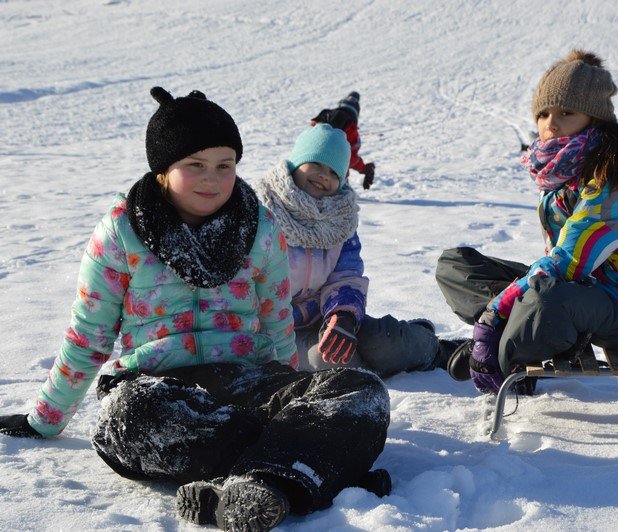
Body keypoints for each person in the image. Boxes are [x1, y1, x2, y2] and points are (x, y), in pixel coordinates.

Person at [0, 87, 391, 532]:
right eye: (196, 165)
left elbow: (277, 322)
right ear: (163, 170)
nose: (213, 179)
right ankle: (307, 466)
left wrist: (289, 393)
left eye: (225, 165)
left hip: (244, 377)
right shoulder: (122, 231)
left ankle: (261, 484)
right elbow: (89, 336)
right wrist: (45, 419)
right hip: (157, 386)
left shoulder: (260, 228)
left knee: (361, 391)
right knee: (125, 418)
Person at [436, 50, 618, 395]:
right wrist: (504, 307)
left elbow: (569, 261)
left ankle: (506, 346)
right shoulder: (566, 165)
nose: (551, 123)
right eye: (543, 113)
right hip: (574, 287)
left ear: (594, 118)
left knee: (545, 300)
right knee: (455, 265)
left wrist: (494, 313)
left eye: (566, 112)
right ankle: (520, 333)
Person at [255, 123, 453, 377]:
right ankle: (394, 351)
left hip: (324, 316)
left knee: (382, 340)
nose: (324, 175)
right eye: (316, 164)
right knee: (329, 361)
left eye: (334, 172)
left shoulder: (340, 220)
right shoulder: (263, 212)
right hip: (274, 332)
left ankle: (434, 349)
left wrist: (343, 316)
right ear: (295, 163)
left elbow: (346, 276)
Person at [310, 91, 376, 190]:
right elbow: (350, 157)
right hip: (334, 176)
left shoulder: (324, 117)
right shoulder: (351, 129)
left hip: (310, 167)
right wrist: (364, 168)